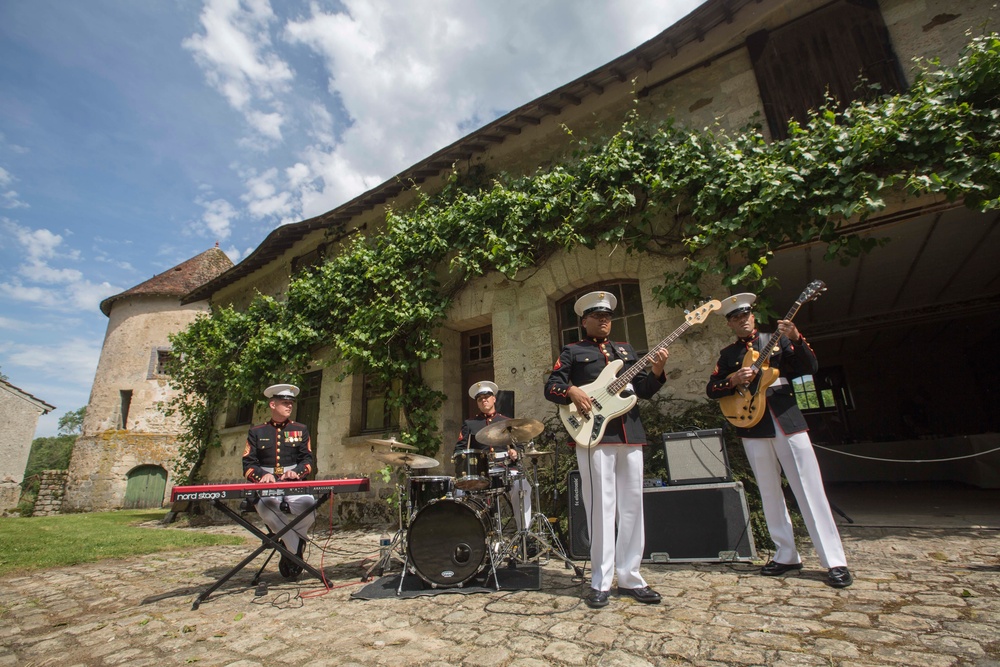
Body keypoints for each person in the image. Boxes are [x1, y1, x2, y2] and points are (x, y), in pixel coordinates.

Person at [706, 293, 853, 588]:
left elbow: (808, 367)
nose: (742, 320)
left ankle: (834, 560)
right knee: (769, 492)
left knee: (809, 489)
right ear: (730, 324)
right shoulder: (728, 355)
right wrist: (733, 380)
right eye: (735, 318)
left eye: (746, 315)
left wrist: (796, 338)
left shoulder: (776, 340)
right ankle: (786, 554)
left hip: (786, 420)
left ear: (753, 316)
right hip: (751, 425)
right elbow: (713, 389)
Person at [544, 290, 668, 608]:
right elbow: (551, 386)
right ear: (584, 321)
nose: (604, 321)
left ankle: (630, 577)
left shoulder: (626, 350)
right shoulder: (572, 351)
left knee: (632, 508)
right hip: (593, 436)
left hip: (631, 434)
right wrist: (571, 390)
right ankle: (600, 581)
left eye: (608, 316)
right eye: (597, 317)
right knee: (601, 509)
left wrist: (656, 371)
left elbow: (643, 390)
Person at [242, 383, 316, 580]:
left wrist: (298, 473)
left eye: (291, 403)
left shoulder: (300, 429)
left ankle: (285, 543)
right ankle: (296, 548)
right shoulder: (257, 432)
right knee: (268, 509)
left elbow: (307, 460)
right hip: (266, 483)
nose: (289, 406)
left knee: (309, 507)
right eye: (284, 403)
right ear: (272, 405)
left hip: (293, 481)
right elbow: (248, 464)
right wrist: (261, 476)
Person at [454, 382, 531, 531]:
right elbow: (459, 450)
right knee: (458, 491)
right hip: (482, 471)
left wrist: (515, 452)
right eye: (480, 399)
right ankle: (469, 533)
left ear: (494, 399)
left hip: (505, 468)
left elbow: (519, 446)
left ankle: (524, 533)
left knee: (522, 485)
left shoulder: (506, 421)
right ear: (477, 403)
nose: (484, 400)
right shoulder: (470, 424)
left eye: (487, 397)